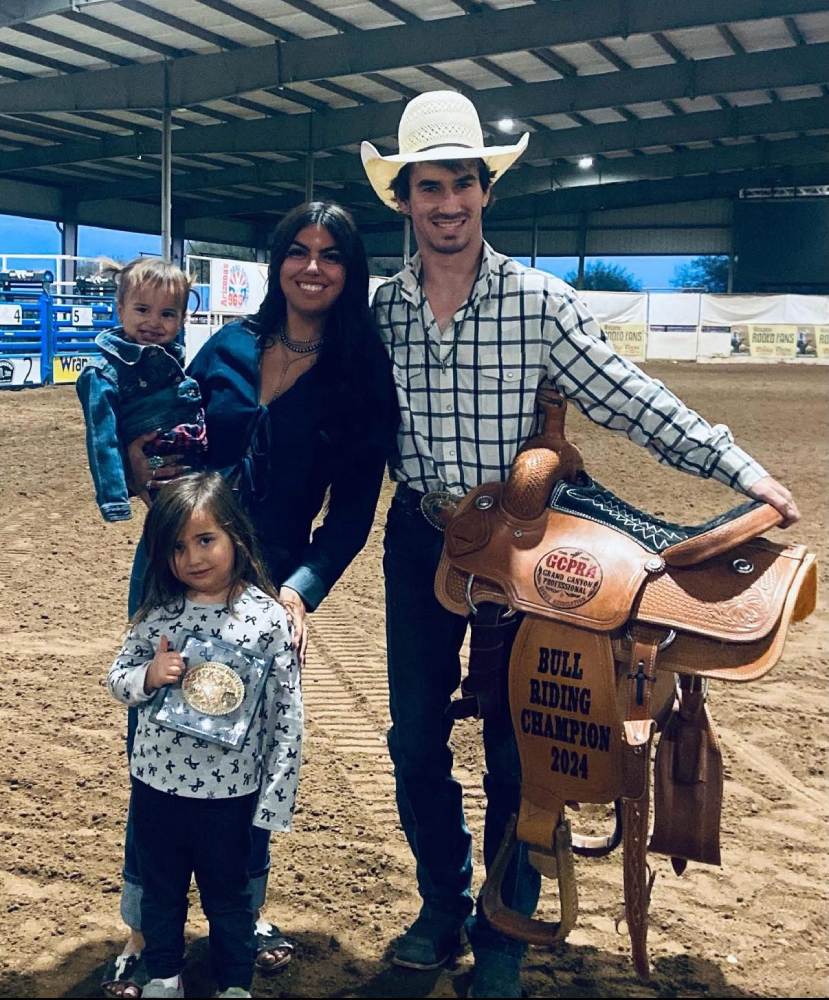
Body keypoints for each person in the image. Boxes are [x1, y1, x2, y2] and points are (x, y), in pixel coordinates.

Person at [361, 90, 800, 998]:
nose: (449, 203)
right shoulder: (381, 313)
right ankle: (441, 901)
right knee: (412, 741)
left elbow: (629, 397)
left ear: (486, 192)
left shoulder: (539, 302)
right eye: (430, 186)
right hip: (421, 541)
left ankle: (503, 931)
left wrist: (738, 468)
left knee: (522, 750)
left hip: (521, 552)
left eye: (465, 184)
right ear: (402, 197)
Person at [102, 201, 398, 998]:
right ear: (275, 263)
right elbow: (164, 434)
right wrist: (135, 465)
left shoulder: (361, 376)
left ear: (350, 269)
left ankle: (241, 912)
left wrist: (299, 594)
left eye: (329, 255)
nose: (311, 266)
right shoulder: (225, 347)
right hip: (174, 575)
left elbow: (349, 516)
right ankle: (143, 930)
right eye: (296, 250)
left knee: (243, 743)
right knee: (157, 741)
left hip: (268, 596)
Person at [107, 471, 301, 1000]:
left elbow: (288, 716)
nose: (193, 557)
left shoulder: (268, 620)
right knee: (162, 893)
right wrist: (148, 676)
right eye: (177, 546)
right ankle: (164, 976)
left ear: (235, 535)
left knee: (230, 899)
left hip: (231, 797)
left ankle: (235, 984)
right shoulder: (159, 613)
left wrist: (276, 797)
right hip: (156, 788)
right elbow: (117, 678)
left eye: (205, 539)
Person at [76, 257, 206, 522]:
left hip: (195, 460)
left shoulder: (172, 361)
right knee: (179, 528)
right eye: (142, 309)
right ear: (121, 310)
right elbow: (103, 440)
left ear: (181, 319)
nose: (154, 322)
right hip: (159, 465)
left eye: (167, 314)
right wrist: (115, 498)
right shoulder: (103, 373)